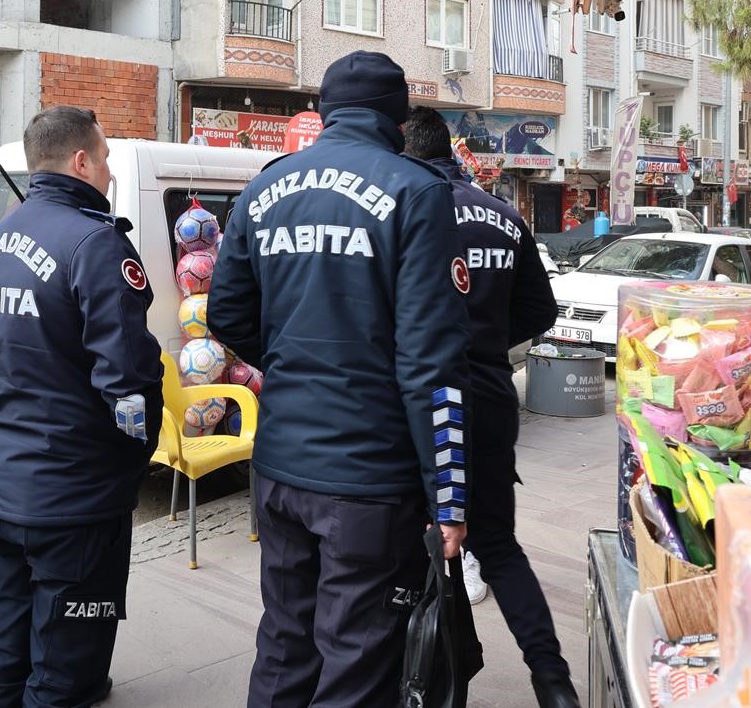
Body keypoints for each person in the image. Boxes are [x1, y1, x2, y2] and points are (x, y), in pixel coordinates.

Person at [209, 51, 471, 708]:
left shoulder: (265, 187)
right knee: (356, 660)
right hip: (366, 480)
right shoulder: (417, 191)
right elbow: (430, 367)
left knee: (285, 642)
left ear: (323, 112)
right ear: (397, 117)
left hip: (279, 469)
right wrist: (449, 496)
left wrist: (298, 362)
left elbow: (225, 314)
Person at [0, 106, 162, 708]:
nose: (108, 174)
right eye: (104, 160)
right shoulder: (97, 244)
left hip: (3, 487)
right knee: (65, 662)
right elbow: (128, 383)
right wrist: (131, 457)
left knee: (8, 633)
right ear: (80, 161)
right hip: (75, 500)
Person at [403, 107, 579, 708]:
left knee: (413, 544)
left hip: (425, 405)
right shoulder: (503, 215)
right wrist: (488, 338)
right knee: (497, 544)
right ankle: (552, 680)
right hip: (492, 395)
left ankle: (428, 682)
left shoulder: (405, 210)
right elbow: (541, 312)